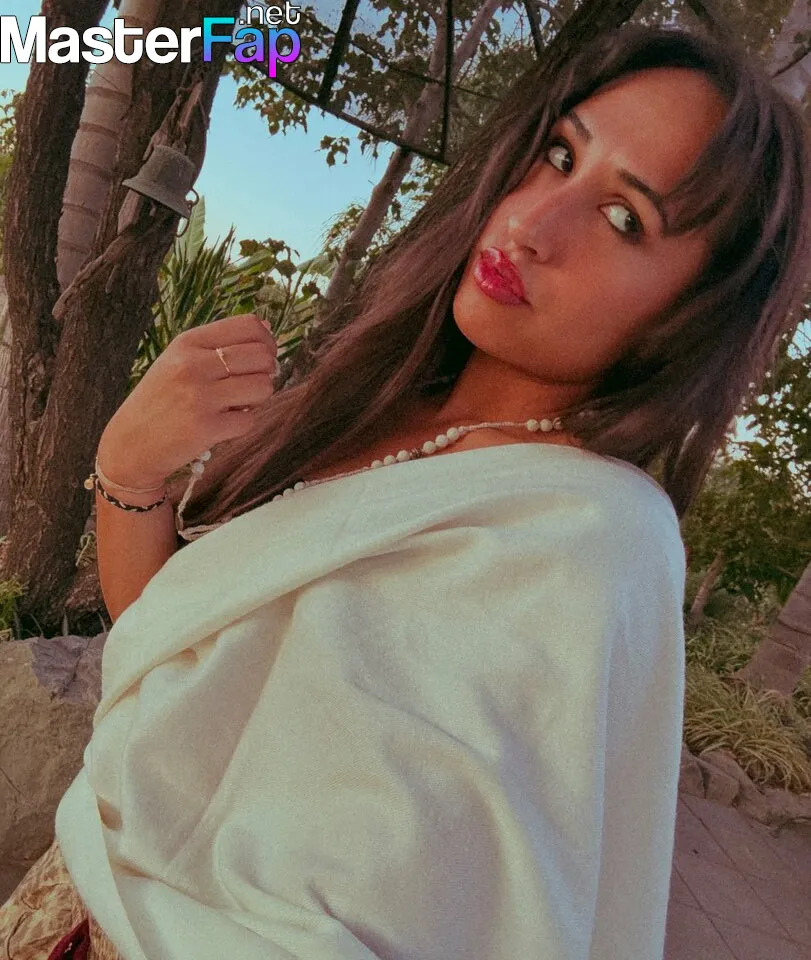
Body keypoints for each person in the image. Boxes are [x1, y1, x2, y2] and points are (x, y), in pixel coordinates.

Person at [2, 19, 810, 960]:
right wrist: (131, 467)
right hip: (57, 900)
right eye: (559, 155)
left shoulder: (585, 545)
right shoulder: (375, 401)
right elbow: (174, 644)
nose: (531, 224)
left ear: (690, 315)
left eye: (625, 217)